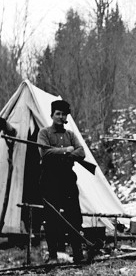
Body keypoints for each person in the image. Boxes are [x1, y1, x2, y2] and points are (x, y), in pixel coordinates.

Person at [38, 100, 85, 264]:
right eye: (57, 113)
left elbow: (81, 152)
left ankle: (78, 254)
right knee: (51, 218)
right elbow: (45, 153)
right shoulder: (44, 133)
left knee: (75, 217)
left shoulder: (70, 135)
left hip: (67, 179)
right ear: (52, 115)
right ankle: (52, 256)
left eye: (63, 114)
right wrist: (66, 151)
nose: (60, 117)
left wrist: (66, 154)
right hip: (50, 179)